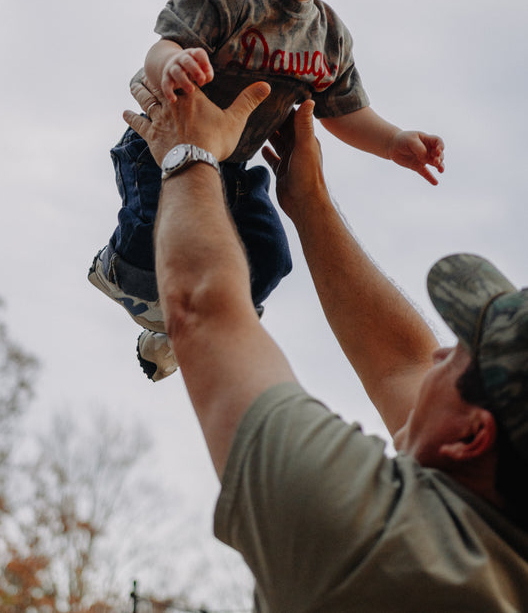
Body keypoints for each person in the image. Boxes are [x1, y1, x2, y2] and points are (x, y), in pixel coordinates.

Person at [123, 78, 527, 612]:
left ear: (473, 436)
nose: (437, 352)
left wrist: (187, 151)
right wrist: (309, 201)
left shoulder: (380, 550)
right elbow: (399, 366)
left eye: (460, 355)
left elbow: (204, 312)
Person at [88, 0, 444, 382]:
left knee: (268, 259)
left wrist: (395, 142)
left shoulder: (330, 38)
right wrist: (173, 66)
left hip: (233, 165)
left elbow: (344, 110)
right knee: (147, 242)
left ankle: (172, 335)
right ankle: (116, 268)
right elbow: (162, 44)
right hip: (165, 146)